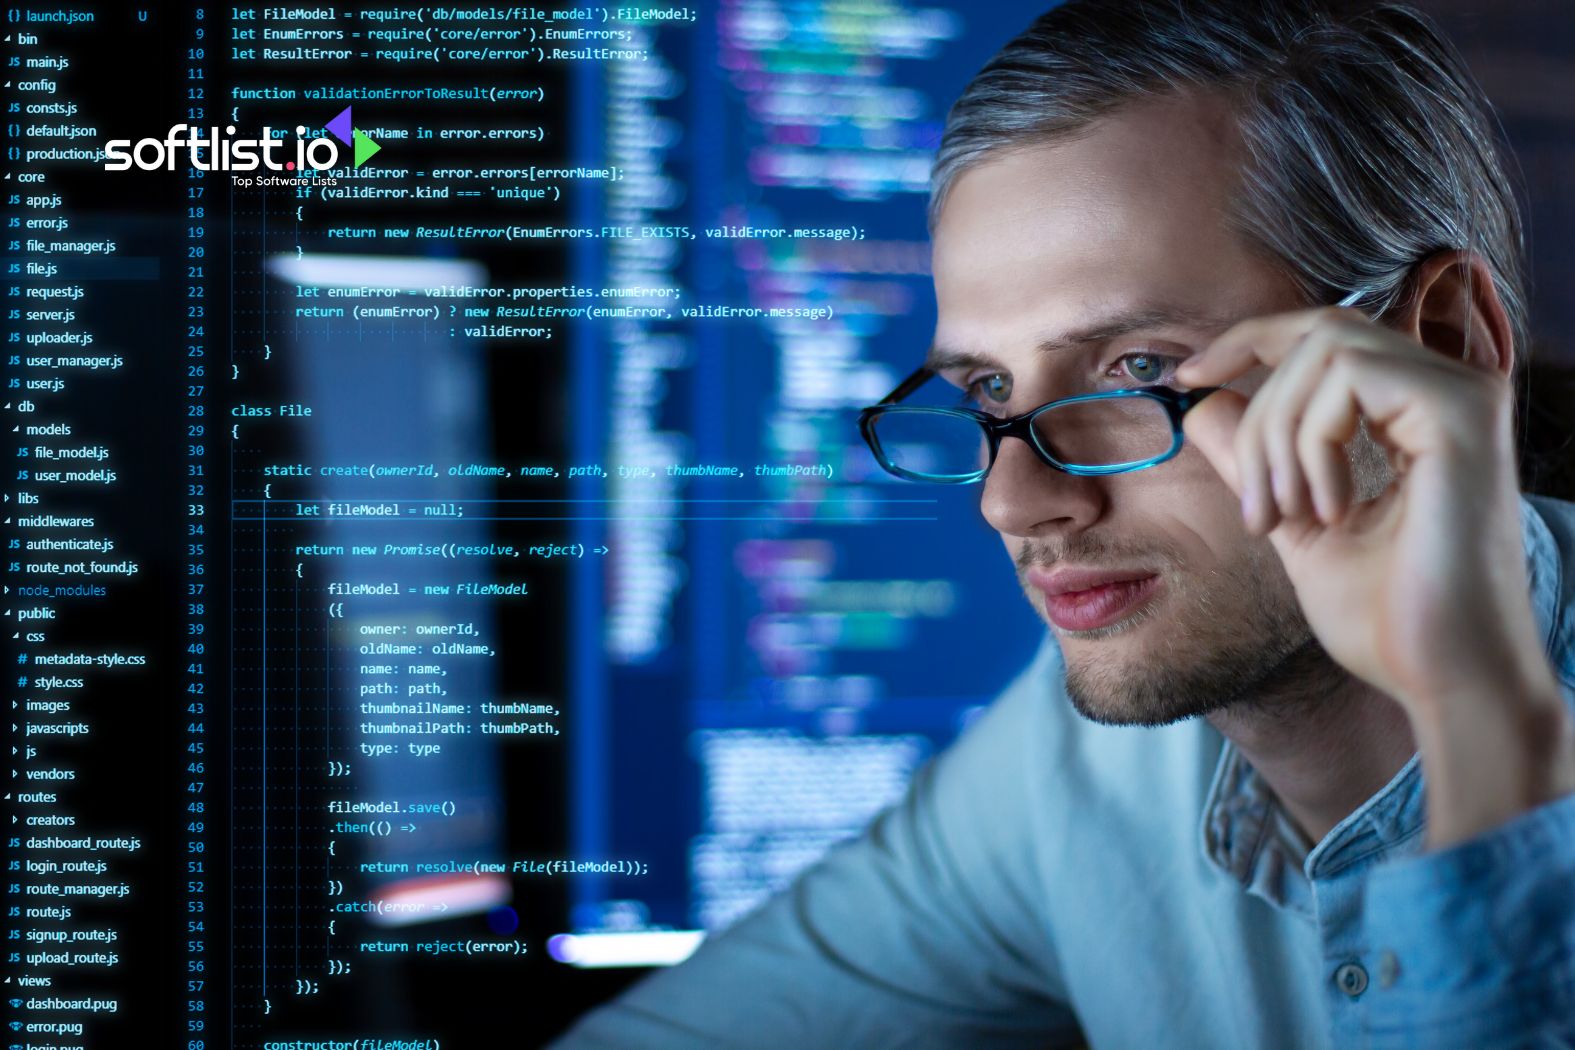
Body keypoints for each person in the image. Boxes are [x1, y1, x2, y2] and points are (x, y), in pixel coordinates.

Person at [553, 2, 1575, 1046]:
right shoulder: (1072, 763)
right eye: (990, 386)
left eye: (1139, 368)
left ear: (1441, 346)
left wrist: (1474, 706)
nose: (1014, 501)